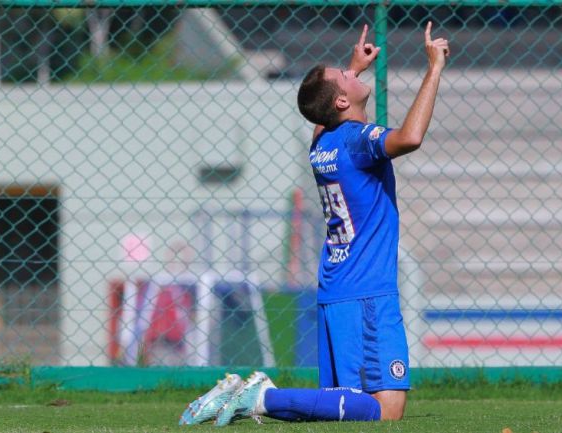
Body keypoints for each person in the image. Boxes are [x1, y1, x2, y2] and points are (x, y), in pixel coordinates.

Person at [179, 21, 449, 426]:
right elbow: (409, 137)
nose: (349, 70)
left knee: (346, 408)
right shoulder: (357, 140)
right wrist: (433, 68)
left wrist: (352, 73)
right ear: (341, 102)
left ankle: (256, 399)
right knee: (385, 411)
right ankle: (263, 397)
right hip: (366, 294)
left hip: (336, 289)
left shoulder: (322, 145)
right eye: (343, 76)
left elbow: (322, 114)